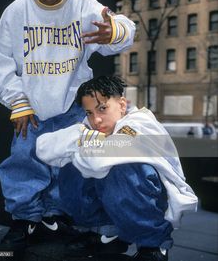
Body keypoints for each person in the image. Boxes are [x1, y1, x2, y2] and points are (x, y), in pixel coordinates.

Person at [0, 0, 135, 247]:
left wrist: (115, 31)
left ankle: (54, 218)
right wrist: (17, 101)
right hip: (30, 103)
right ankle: (24, 219)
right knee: (23, 161)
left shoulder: (83, 6)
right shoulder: (16, 12)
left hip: (70, 104)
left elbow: (124, 29)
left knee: (68, 164)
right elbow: (1, 62)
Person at [36, 76, 198, 261]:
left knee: (123, 168)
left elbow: (99, 160)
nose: (96, 119)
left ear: (122, 105)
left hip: (154, 199)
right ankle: (104, 233)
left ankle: (153, 245)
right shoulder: (90, 126)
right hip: (115, 194)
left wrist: (81, 144)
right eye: (89, 112)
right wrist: (82, 139)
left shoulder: (141, 124)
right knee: (70, 164)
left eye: (102, 108)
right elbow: (43, 148)